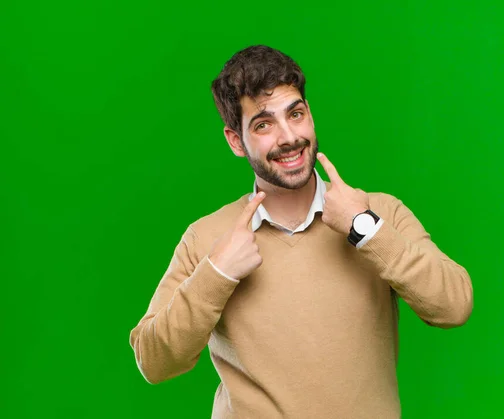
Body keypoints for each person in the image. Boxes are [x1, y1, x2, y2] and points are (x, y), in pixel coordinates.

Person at [129, 45, 473, 419]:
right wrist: (217, 273)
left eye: (296, 114)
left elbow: (454, 305)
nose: (289, 137)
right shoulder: (206, 238)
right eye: (263, 124)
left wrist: (365, 229)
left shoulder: (378, 212)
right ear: (235, 141)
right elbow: (154, 362)